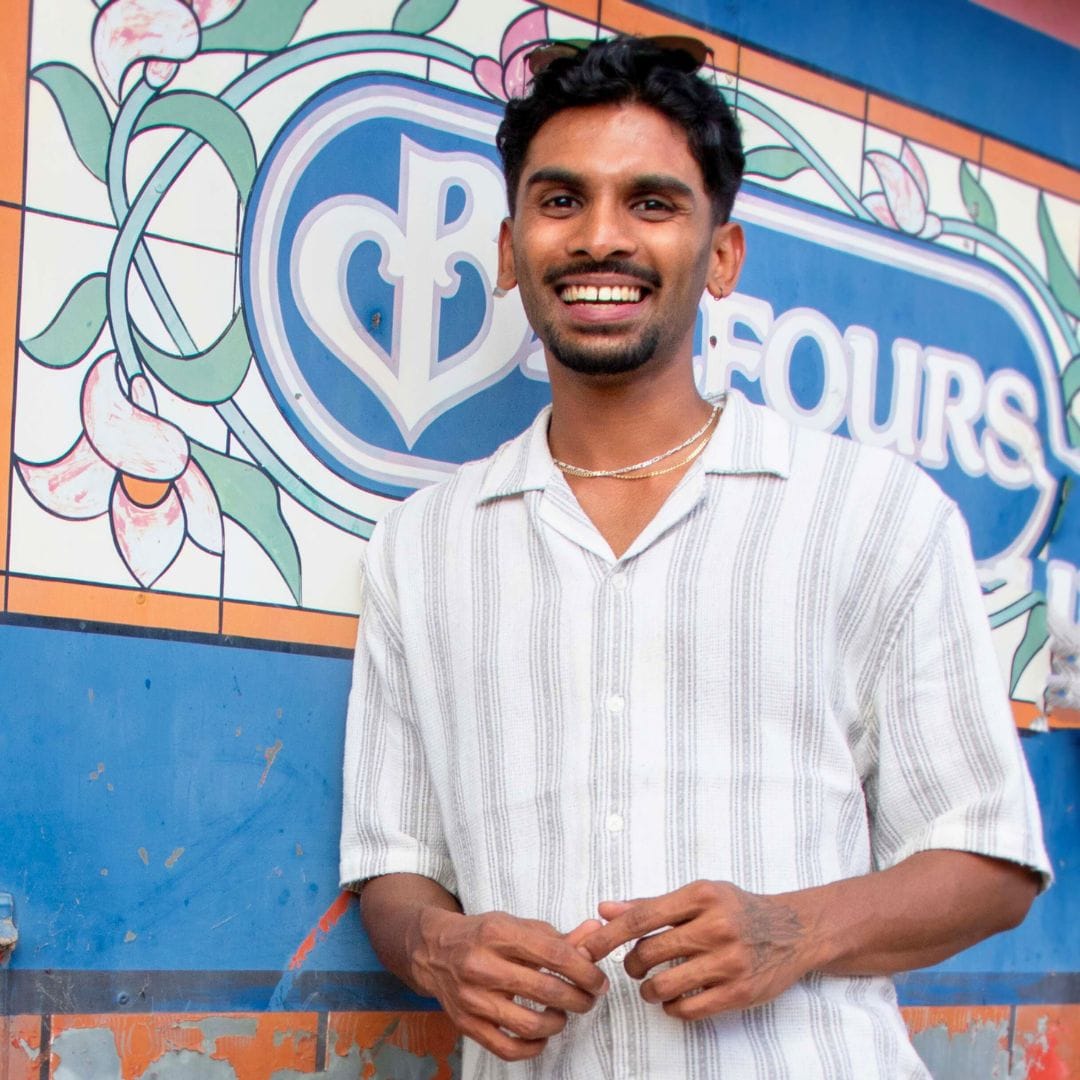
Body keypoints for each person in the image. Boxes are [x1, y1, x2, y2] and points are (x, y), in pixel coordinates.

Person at [340, 35, 1051, 1078]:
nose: (601, 238)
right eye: (561, 200)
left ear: (722, 256)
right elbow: (392, 864)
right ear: (508, 249)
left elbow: (992, 861)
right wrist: (438, 948)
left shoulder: (873, 513)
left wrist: (794, 931)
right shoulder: (422, 546)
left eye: (653, 203)